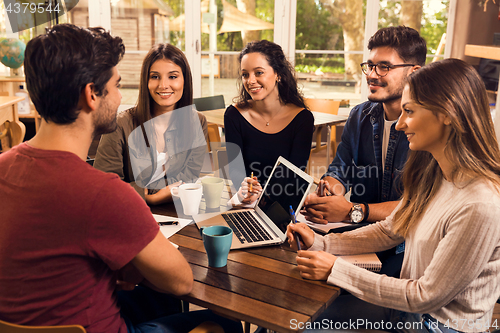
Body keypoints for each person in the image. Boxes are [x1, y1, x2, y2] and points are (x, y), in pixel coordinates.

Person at [0, 24, 241, 333]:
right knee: (225, 322)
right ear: (91, 95)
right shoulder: (106, 194)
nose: (120, 95)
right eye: (116, 84)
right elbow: (181, 282)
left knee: (157, 299)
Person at [287, 58, 500, 332]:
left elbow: (426, 295)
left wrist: (334, 270)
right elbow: (390, 230)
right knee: (299, 320)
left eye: (408, 111)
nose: (399, 125)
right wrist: (320, 243)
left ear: (448, 113)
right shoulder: (435, 173)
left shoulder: (480, 203)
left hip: (440, 326)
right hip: (406, 311)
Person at [302, 26, 427, 277]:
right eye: (369, 66)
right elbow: (340, 168)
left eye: (384, 66)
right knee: (298, 252)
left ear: (414, 72)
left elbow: (417, 207)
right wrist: (329, 196)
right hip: (360, 230)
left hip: (407, 244)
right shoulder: (360, 115)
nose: (372, 74)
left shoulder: (427, 128)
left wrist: (351, 211)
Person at [94, 43, 208, 206]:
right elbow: (104, 186)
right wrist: (151, 198)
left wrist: (142, 190)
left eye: (173, 76)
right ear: (145, 81)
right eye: (155, 76)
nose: (163, 85)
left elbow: (189, 177)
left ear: (185, 80)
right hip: (126, 210)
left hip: (175, 212)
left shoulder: (198, 121)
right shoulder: (120, 124)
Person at [224, 40, 315, 204]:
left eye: (258, 73)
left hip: (281, 207)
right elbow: (235, 170)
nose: (250, 81)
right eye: (245, 74)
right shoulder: (234, 115)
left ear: (278, 73)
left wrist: (262, 195)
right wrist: (245, 187)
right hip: (247, 203)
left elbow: (293, 178)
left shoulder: (302, 119)